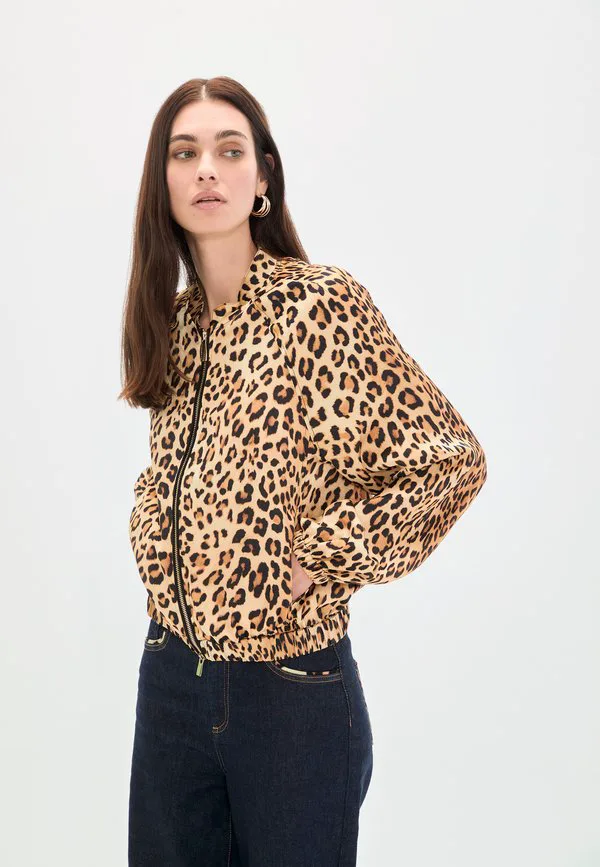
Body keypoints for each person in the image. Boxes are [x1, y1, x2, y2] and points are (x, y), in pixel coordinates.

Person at [119, 76, 488, 867]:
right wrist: (154, 528)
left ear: (262, 178)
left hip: (288, 691)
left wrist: (318, 557)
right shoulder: (173, 325)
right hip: (170, 675)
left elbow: (450, 463)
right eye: (185, 153)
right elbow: (170, 474)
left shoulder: (319, 304)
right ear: (163, 183)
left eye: (230, 151)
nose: (207, 169)